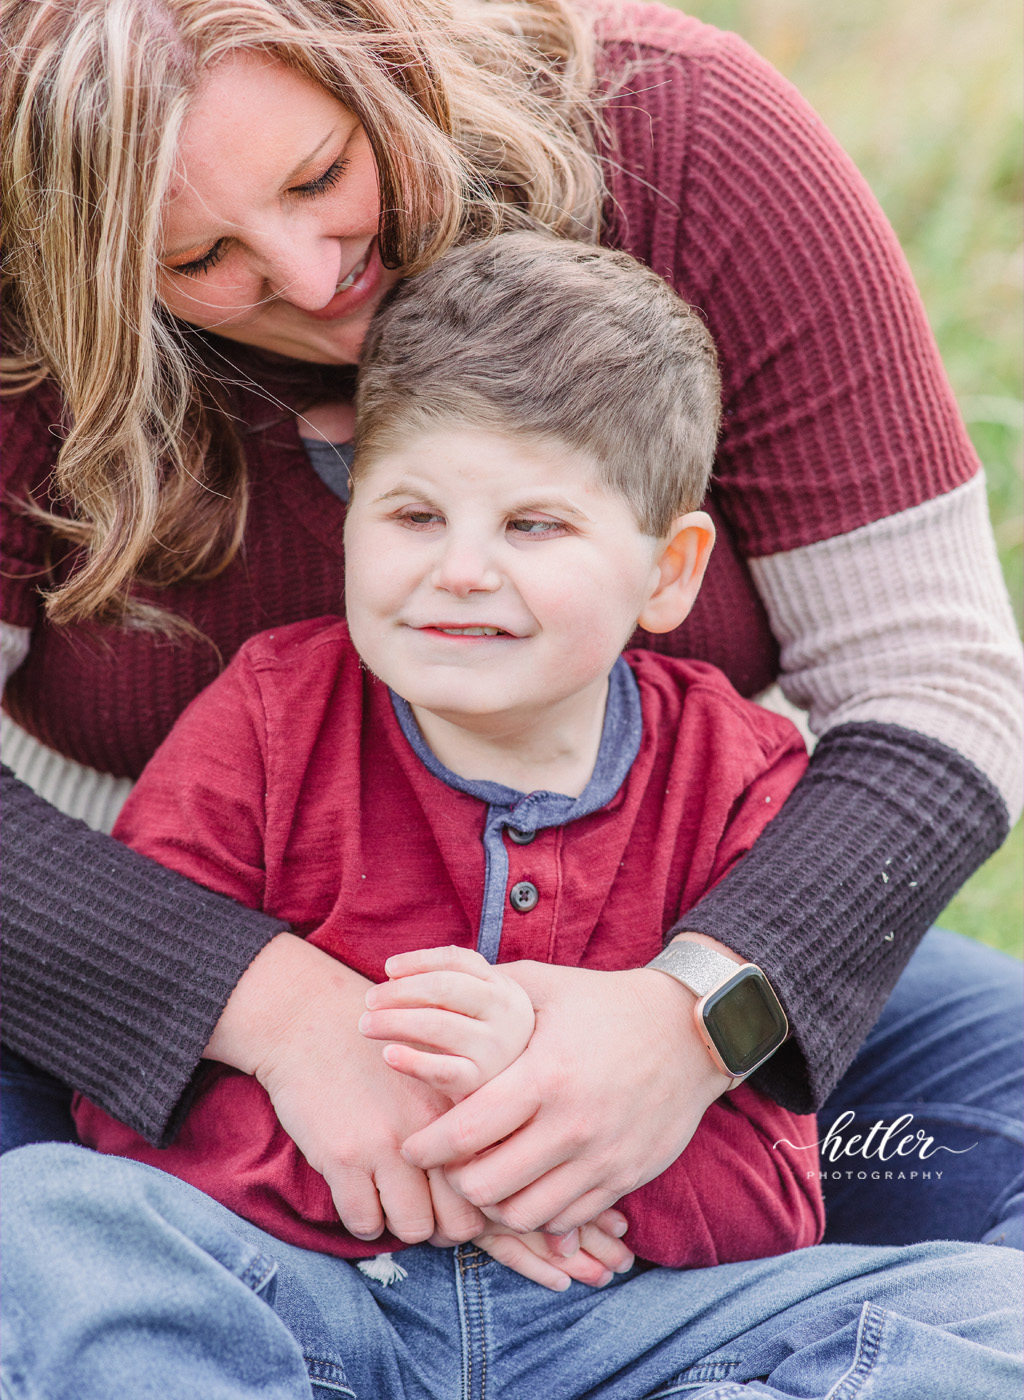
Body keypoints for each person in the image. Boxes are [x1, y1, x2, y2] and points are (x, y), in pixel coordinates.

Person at [1, 0, 1020, 1279]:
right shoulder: (21, 286)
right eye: (200, 256)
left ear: (385, 58)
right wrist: (282, 1018)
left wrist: (691, 1020)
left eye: (321, 175)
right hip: (127, 959)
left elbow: (934, 678)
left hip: (664, 921)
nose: (313, 279)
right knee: (56, 1251)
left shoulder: (683, 135)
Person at [70, 233, 826, 1284]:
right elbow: (122, 1093)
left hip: (616, 1329)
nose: (461, 570)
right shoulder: (264, 724)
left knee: (976, 1320)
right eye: (415, 514)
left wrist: (547, 1138)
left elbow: (780, 1193)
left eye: (533, 523)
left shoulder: (738, 776)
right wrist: (434, 1168)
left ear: (667, 569)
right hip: (300, 1297)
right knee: (48, 1216)